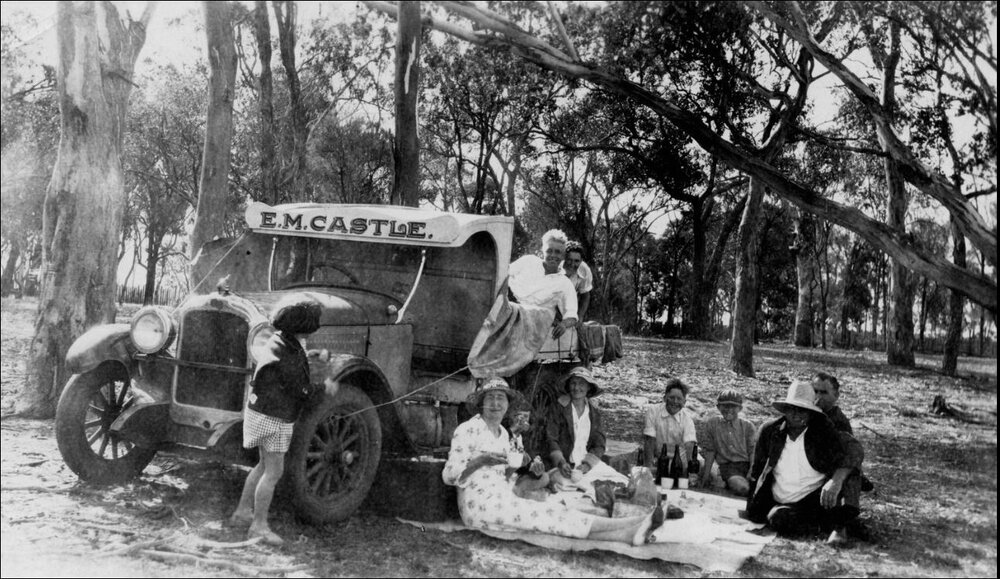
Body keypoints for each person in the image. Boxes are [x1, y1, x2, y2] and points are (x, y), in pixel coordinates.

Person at [442, 378, 662, 545]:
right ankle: (625, 525)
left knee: (551, 509)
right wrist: (481, 461)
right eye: (490, 398)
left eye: (501, 398)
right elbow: (449, 475)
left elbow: (506, 475)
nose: (496, 404)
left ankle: (626, 533)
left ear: (508, 405)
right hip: (479, 504)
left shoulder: (502, 434)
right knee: (543, 515)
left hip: (502, 495)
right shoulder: (468, 429)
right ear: (481, 403)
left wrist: (522, 469)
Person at [229, 294, 325, 545]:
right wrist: (325, 388)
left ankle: (241, 512)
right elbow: (300, 390)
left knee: (261, 466)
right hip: (275, 418)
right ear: (304, 326)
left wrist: (312, 355)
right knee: (273, 472)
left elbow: (290, 360)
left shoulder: (279, 340)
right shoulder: (290, 354)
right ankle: (258, 526)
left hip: (258, 412)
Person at [746, 381, 864, 544]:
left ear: (810, 413)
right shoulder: (770, 431)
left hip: (815, 497)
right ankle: (819, 524)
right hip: (780, 498)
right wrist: (754, 500)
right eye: (792, 409)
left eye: (802, 410)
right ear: (785, 410)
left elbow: (854, 449)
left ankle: (839, 527)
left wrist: (835, 482)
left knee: (851, 473)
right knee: (777, 517)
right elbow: (757, 469)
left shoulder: (822, 430)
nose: (797, 414)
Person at [813, 372, 873, 543]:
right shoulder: (807, 413)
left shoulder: (838, 421)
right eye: (815, 391)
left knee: (849, 474)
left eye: (824, 392)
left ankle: (842, 525)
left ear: (836, 396)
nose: (818, 397)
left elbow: (851, 454)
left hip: (831, 470)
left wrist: (837, 479)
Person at [507, 229, 578, 339]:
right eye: (549, 251)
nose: (553, 255)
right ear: (542, 251)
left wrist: (564, 324)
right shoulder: (528, 261)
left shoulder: (565, 284)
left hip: (534, 327)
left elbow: (572, 315)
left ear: (563, 256)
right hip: (508, 313)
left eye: (558, 252)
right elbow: (504, 273)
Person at [545, 366, 607, 478]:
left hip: (585, 467)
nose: (577, 388)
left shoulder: (594, 413)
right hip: (564, 466)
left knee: (614, 482)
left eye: (582, 384)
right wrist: (561, 462)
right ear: (568, 386)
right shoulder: (558, 408)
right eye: (573, 383)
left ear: (589, 387)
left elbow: (599, 445)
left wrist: (587, 465)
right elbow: (551, 438)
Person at [697, 390, 756, 496]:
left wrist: (752, 470)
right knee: (742, 487)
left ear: (740, 408)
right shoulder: (713, 424)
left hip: (747, 465)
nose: (729, 410)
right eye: (725, 406)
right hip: (728, 467)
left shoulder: (747, 426)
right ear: (718, 407)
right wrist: (705, 476)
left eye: (733, 407)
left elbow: (752, 451)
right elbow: (711, 451)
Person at [643, 378, 697, 470]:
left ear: (684, 402)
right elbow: (649, 439)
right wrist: (648, 467)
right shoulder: (653, 411)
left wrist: (688, 469)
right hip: (659, 457)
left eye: (679, 399)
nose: (675, 402)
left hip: (680, 459)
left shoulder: (687, 418)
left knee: (707, 470)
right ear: (665, 398)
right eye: (672, 397)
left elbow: (689, 444)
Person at [562, 242, 593, 322]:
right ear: (564, 258)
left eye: (576, 261)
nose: (572, 264)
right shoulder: (556, 268)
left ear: (581, 260)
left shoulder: (584, 269)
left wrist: (580, 316)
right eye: (569, 260)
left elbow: (585, 295)